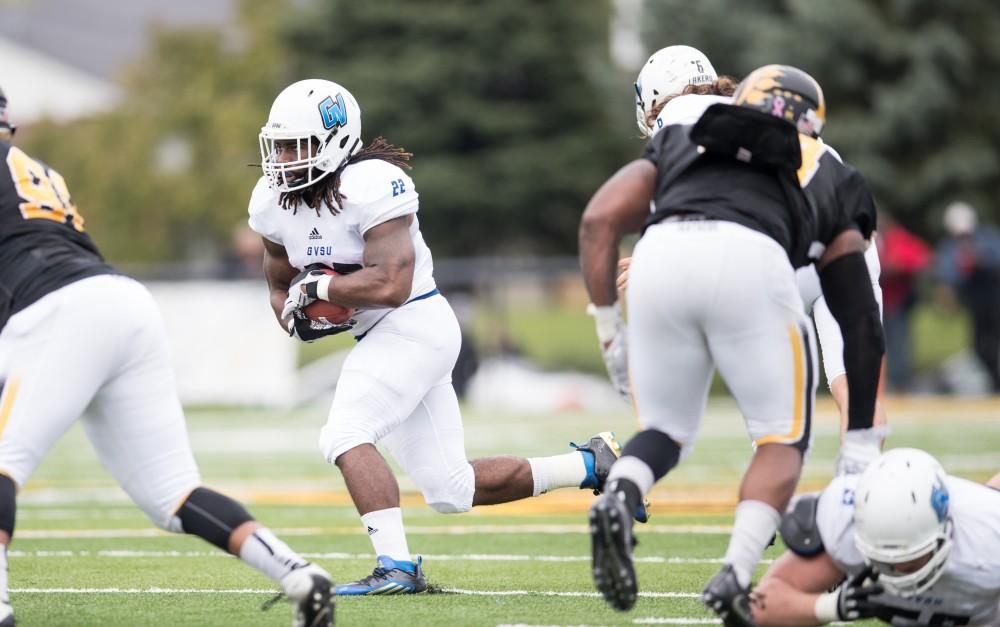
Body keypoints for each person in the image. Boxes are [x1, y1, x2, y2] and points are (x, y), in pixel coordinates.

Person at [250, 79, 625, 596]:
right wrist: (297, 315)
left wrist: (323, 287)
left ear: (337, 140)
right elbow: (278, 285)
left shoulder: (372, 183)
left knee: (344, 434)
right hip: (383, 336)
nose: (286, 159)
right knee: (452, 489)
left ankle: (397, 568)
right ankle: (592, 463)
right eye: (281, 145)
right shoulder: (272, 202)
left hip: (414, 325)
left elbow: (392, 283)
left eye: (301, 145)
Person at [0, 85, 333, 627]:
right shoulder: (33, 168)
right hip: (121, 303)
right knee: (174, 495)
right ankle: (298, 573)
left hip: (59, 311)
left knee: (3, 461)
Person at [578, 65, 885, 625]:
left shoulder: (681, 135)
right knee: (781, 439)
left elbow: (599, 218)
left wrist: (607, 327)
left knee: (664, 432)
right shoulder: (825, 166)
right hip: (753, 258)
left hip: (661, 257)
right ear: (812, 121)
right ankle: (736, 574)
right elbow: (859, 317)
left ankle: (620, 494)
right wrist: (862, 439)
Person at [616, 45, 888, 457]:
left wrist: (656, 262)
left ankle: (764, 514)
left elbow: (708, 219)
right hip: (843, 238)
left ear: (653, 101)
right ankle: (863, 488)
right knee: (854, 390)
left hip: (776, 251)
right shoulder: (751, 107)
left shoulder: (678, 126)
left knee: (770, 417)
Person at [753, 448, 1000, 626]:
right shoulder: (844, 524)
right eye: (883, 560)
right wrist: (831, 607)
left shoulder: (987, 536)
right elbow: (760, 606)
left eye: (912, 558)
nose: (898, 568)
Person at [934, 201, 1000, 392]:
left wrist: (980, 259)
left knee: (994, 340)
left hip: (994, 297)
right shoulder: (949, 247)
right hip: (974, 302)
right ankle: (989, 382)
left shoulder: (987, 237)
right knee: (979, 343)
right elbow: (947, 273)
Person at [877, 214, 931, 391]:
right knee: (879, 343)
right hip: (877, 302)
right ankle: (883, 382)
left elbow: (924, 258)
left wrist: (899, 267)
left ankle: (899, 382)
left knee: (898, 343)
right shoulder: (871, 239)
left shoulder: (899, 239)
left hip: (897, 302)